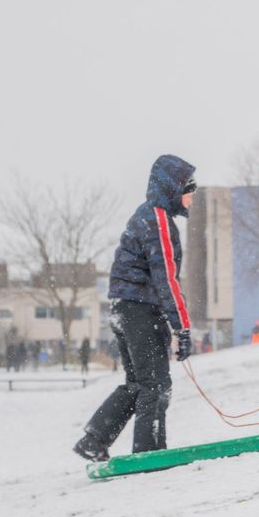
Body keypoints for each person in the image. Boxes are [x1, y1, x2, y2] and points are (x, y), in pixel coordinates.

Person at [73, 155, 196, 462]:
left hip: (123, 307)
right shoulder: (158, 221)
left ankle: (95, 439)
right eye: (189, 189)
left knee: (139, 382)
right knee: (155, 384)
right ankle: (149, 453)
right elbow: (166, 279)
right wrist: (182, 327)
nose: (192, 197)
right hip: (140, 309)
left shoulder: (145, 215)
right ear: (172, 188)